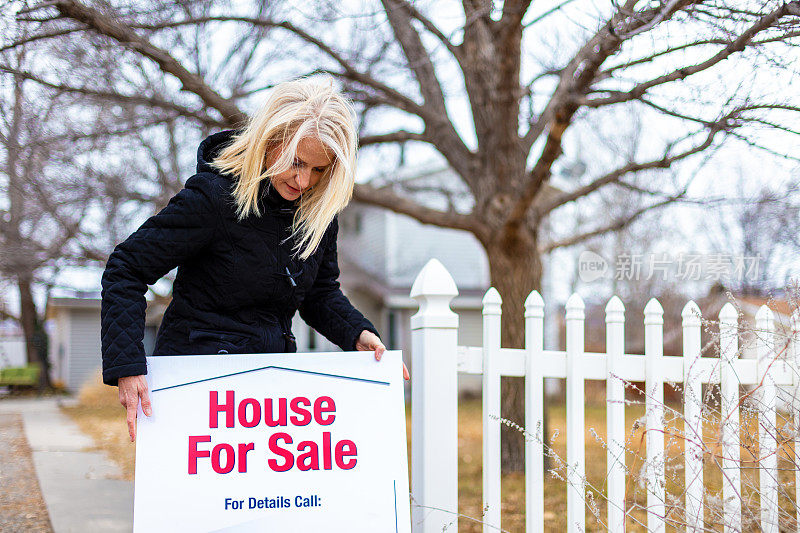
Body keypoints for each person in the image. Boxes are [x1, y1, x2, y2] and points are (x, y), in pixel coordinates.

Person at [100, 77, 410, 442]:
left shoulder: (318, 213)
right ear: (269, 139)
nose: (304, 179)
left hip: (267, 394)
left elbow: (318, 293)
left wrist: (357, 333)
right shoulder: (213, 199)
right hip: (193, 385)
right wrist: (128, 366)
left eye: (318, 169)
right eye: (296, 162)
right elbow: (126, 268)